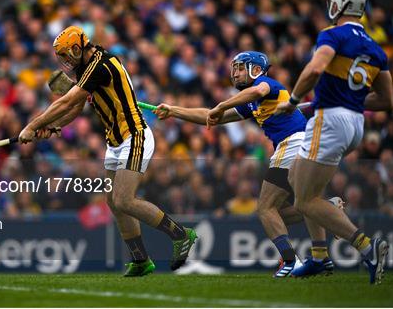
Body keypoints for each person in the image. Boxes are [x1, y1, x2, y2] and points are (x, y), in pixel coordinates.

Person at [18, 26, 197, 277]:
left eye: (67, 55)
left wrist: (33, 125)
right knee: (113, 202)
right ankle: (140, 260)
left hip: (134, 136)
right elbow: (76, 107)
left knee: (124, 199)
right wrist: (53, 126)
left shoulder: (100, 66)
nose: (65, 61)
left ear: (78, 48)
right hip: (114, 141)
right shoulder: (86, 68)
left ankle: (181, 234)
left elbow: (68, 101)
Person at [155, 51, 341, 277]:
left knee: (265, 208)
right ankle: (327, 211)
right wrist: (174, 110)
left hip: (292, 144)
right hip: (300, 145)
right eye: (235, 68)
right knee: (282, 212)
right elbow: (212, 117)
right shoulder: (250, 103)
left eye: (241, 68)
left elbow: (255, 91)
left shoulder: (264, 84)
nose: (235, 73)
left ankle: (290, 260)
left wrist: (222, 104)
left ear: (256, 69)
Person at [275, 0, 393, 283]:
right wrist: (342, 100)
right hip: (355, 123)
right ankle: (318, 257)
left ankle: (367, 247)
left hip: (329, 122)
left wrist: (291, 101)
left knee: (303, 201)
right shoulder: (376, 48)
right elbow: (386, 101)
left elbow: (315, 69)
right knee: (294, 179)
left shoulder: (332, 34)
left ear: (338, 5)